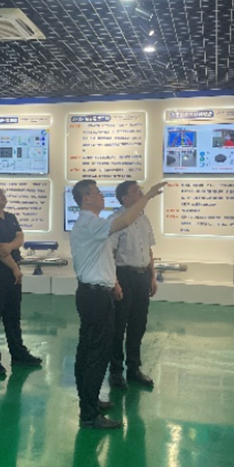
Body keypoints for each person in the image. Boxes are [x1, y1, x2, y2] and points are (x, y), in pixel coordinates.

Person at [70, 179, 165, 429]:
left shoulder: (92, 223)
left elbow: (104, 259)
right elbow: (124, 221)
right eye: (97, 193)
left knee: (88, 352)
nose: (102, 196)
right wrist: (148, 196)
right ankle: (89, 415)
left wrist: (113, 283)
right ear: (86, 199)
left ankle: (89, 401)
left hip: (95, 293)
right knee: (95, 355)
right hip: (94, 296)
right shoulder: (90, 223)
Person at [0, 184, 42, 376]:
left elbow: (20, 237)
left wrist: (11, 246)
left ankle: (18, 353)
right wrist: (15, 269)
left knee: (13, 315)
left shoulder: (10, 217)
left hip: (12, 273)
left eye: (1, 192)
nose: (1, 195)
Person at [108, 180, 158, 391]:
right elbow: (109, 254)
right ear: (125, 198)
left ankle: (134, 368)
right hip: (124, 276)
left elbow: (149, 251)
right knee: (119, 326)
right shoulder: (116, 221)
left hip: (142, 276)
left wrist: (152, 276)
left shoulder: (144, 219)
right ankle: (116, 371)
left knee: (138, 324)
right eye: (136, 191)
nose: (140, 193)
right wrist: (115, 282)